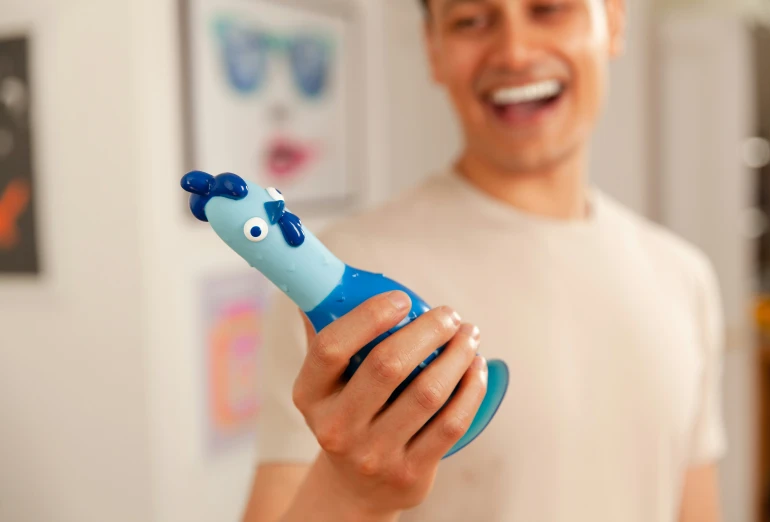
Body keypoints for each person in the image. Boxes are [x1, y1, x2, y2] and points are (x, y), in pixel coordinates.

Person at [241, 0, 727, 520]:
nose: (514, 53)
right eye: (472, 20)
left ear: (612, 20)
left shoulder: (685, 276)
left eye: (549, 9)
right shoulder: (336, 284)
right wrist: (350, 495)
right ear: (434, 50)